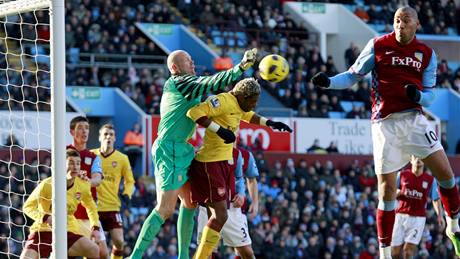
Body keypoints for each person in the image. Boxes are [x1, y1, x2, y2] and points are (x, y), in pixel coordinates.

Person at [311, 6, 460, 258]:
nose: (400, 25)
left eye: (405, 21)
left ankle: (454, 228)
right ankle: (384, 253)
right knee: (387, 191)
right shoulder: (378, 45)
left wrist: (419, 97)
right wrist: (329, 83)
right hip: (384, 124)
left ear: (417, 24)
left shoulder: (426, 54)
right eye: (396, 20)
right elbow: (352, 75)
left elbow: (431, 94)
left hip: (414, 120)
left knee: (446, 175)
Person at [129, 48, 258, 259]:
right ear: (175, 67)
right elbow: (211, 83)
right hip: (169, 148)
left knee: (189, 203)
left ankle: (183, 256)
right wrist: (240, 67)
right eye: (188, 60)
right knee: (165, 209)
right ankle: (134, 257)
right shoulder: (179, 83)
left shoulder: (187, 85)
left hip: (183, 148)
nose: (193, 63)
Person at [187, 78, 292, 258]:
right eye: (252, 101)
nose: (254, 104)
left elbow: (249, 116)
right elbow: (194, 112)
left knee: (221, 218)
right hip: (209, 163)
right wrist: (219, 130)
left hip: (221, 163)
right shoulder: (223, 101)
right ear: (242, 96)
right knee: (220, 216)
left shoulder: (238, 106)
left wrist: (270, 124)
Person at [20, 149, 101, 259]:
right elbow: (27, 207)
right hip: (43, 231)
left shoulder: (83, 185)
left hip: (68, 231)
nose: (76, 167)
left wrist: (95, 227)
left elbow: (91, 207)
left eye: (78, 163)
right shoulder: (47, 184)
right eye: (71, 163)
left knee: (94, 249)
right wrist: (46, 218)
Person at [196, 146, 260, 259]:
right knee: (207, 251)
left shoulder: (243, 155)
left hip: (233, 209)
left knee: (244, 251)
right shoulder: (203, 152)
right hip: (208, 207)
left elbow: (249, 179)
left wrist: (254, 202)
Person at [67, 116, 108, 258]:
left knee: (103, 254)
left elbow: (97, 179)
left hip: (88, 213)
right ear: (72, 132)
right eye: (80, 128)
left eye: (87, 128)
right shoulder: (63, 152)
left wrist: (87, 182)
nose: (84, 131)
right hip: (68, 214)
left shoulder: (93, 157)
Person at [92, 124, 135, 259]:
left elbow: (130, 181)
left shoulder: (122, 158)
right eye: (105, 134)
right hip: (93, 207)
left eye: (111, 134)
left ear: (115, 138)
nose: (108, 137)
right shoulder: (92, 155)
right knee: (95, 244)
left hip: (112, 206)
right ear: (100, 137)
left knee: (119, 241)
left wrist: (127, 193)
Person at [391, 156, 445, 259]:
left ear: (424, 161)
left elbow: (435, 199)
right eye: (415, 157)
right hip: (401, 216)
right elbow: (392, 193)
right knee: (395, 252)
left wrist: (440, 216)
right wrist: (397, 193)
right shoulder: (402, 175)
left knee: (408, 251)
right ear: (411, 160)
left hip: (418, 219)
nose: (418, 159)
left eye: (420, 157)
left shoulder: (430, 180)